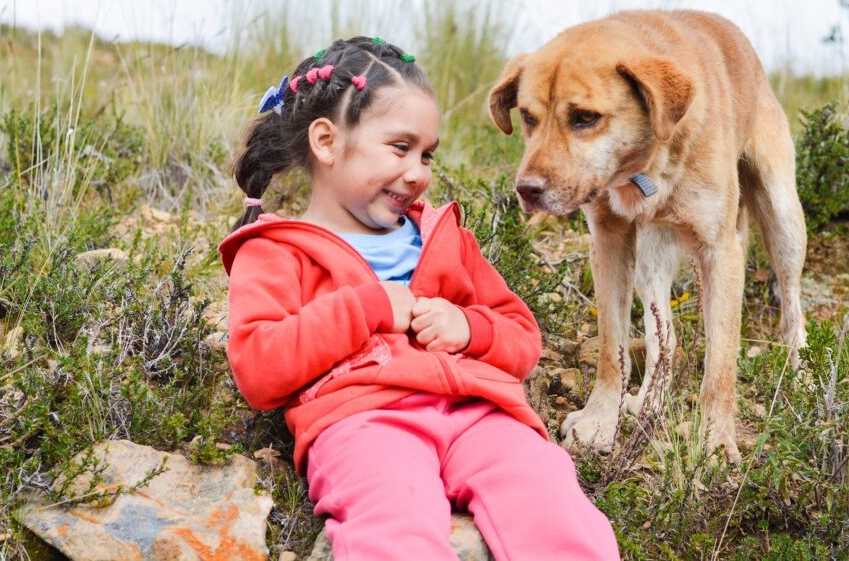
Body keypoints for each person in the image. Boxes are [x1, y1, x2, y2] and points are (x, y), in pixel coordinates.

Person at [219, 36, 620, 560]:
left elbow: (521, 337)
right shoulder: (274, 250)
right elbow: (259, 367)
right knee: (394, 529)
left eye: (427, 154)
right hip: (364, 422)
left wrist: (470, 327)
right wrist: (365, 308)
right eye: (400, 147)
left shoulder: (442, 234)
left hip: (481, 414)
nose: (418, 172)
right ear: (326, 141)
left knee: (553, 503)